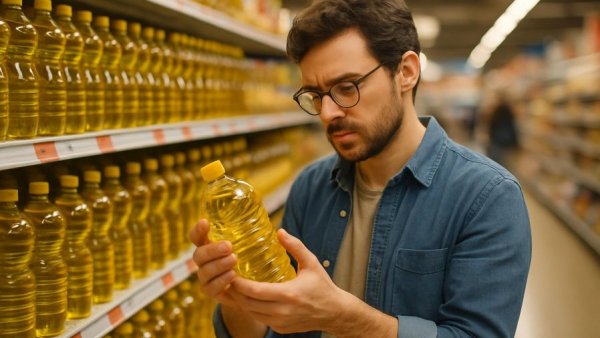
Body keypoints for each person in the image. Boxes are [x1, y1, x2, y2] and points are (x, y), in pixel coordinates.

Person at [189, 1, 532, 337]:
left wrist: (345, 318)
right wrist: (236, 298)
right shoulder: (311, 187)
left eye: (346, 88)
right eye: (315, 95)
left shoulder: (487, 197)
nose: (327, 113)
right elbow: (275, 330)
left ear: (406, 72)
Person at [486, 95, 520, 167]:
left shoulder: (496, 110)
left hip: (497, 139)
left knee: (497, 158)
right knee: (505, 160)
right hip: (505, 139)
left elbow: (492, 125)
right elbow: (512, 127)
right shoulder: (509, 111)